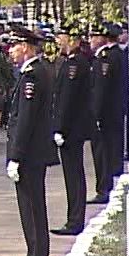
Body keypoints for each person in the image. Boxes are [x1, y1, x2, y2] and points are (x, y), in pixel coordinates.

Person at [5, 26, 58, 256]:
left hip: (30, 155)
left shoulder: (32, 76)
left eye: (14, 45)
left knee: (33, 211)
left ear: (26, 46)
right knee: (34, 209)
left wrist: (15, 156)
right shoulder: (36, 72)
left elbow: (25, 121)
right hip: (34, 153)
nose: (11, 50)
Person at [51, 23, 93, 235]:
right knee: (73, 174)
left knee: (74, 175)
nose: (58, 40)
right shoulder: (72, 62)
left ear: (73, 40)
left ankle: (75, 220)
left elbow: (66, 100)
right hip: (72, 128)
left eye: (61, 36)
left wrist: (59, 127)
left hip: (71, 130)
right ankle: (73, 218)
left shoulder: (75, 65)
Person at [88, 22, 125, 204]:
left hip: (105, 115)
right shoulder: (116, 55)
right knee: (110, 151)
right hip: (113, 113)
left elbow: (100, 91)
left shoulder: (106, 58)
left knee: (103, 153)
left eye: (94, 36)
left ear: (103, 37)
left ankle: (104, 188)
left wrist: (94, 115)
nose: (91, 40)